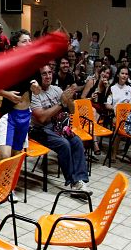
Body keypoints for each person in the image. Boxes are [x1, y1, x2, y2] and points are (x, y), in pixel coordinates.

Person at [30, 64, 92, 194]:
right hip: (39, 130)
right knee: (64, 144)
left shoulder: (57, 89)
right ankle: (74, 183)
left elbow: (72, 110)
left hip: (57, 126)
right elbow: (42, 118)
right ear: (38, 76)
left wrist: (69, 99)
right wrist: (61, 103)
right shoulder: (35, 93)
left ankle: (81, 180)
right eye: (44, 74)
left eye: (49, 73)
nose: (48, 76)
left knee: (77, 142)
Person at [0, 30, 34, 162]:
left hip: (25, 115)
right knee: (5, 156)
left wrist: (36, 86)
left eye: (30, 41)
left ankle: (9, 182)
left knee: (16, 155)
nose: (29, 44)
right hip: (10, 114)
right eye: (24, 41)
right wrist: (6, 94)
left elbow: (38, 89)